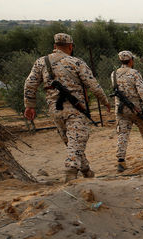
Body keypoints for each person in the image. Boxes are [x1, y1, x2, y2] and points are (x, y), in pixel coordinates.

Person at [24, 33, 111, 182]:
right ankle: (71, 172)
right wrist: (105, 102)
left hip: (55, 110)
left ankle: (86, 171)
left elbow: (30, 84)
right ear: (70, 47)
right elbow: (93, 85)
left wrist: (29, 106)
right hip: (75, 109)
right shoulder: (76, 62)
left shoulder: (41, 62)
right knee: (78, 139)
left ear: (54, 46)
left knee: (72, 141)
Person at [111, 50, 143, 172]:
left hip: (121, 110)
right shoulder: (134, 73)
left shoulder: (114, 74)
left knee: (123, 134)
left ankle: (121, 161)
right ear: (131, 60)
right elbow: (142, 93)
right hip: (136, 109)